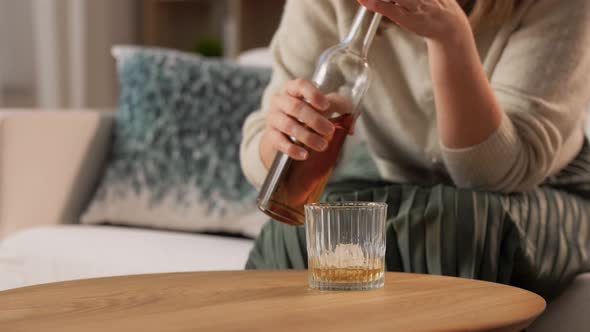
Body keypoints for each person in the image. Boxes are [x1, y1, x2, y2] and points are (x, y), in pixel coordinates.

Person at [239, 0, 590, 300]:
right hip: (406, 188)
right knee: (303, 232)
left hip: (539, 192)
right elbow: (262, 161)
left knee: (455, 229)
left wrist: (449, 38)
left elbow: (497, 173)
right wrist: (285, 131)